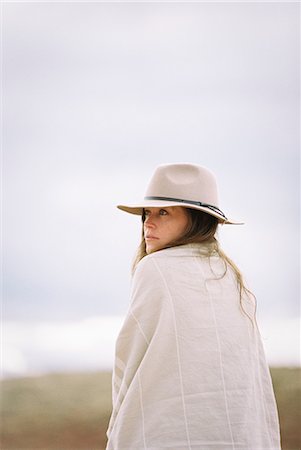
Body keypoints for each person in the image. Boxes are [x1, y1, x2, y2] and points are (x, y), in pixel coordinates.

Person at [106, 163, 281, 450]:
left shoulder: (155, 268)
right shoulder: (232, 277)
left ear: (196, 218)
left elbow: (130, 359)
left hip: (166, 434)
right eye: (147, 213)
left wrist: (116, 430)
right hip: (238, 436)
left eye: (163, 212)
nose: (148, 222)